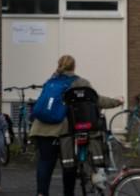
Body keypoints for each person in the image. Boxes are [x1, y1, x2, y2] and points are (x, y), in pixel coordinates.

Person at [29, 54, 123, 196]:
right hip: (63, 132)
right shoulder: (79, 82)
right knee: (69, 165)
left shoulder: (50, 81)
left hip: (41, 128)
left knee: (45, 164)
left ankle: (41, 193)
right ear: (74, 66)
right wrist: (117, 101)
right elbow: (96, 100)